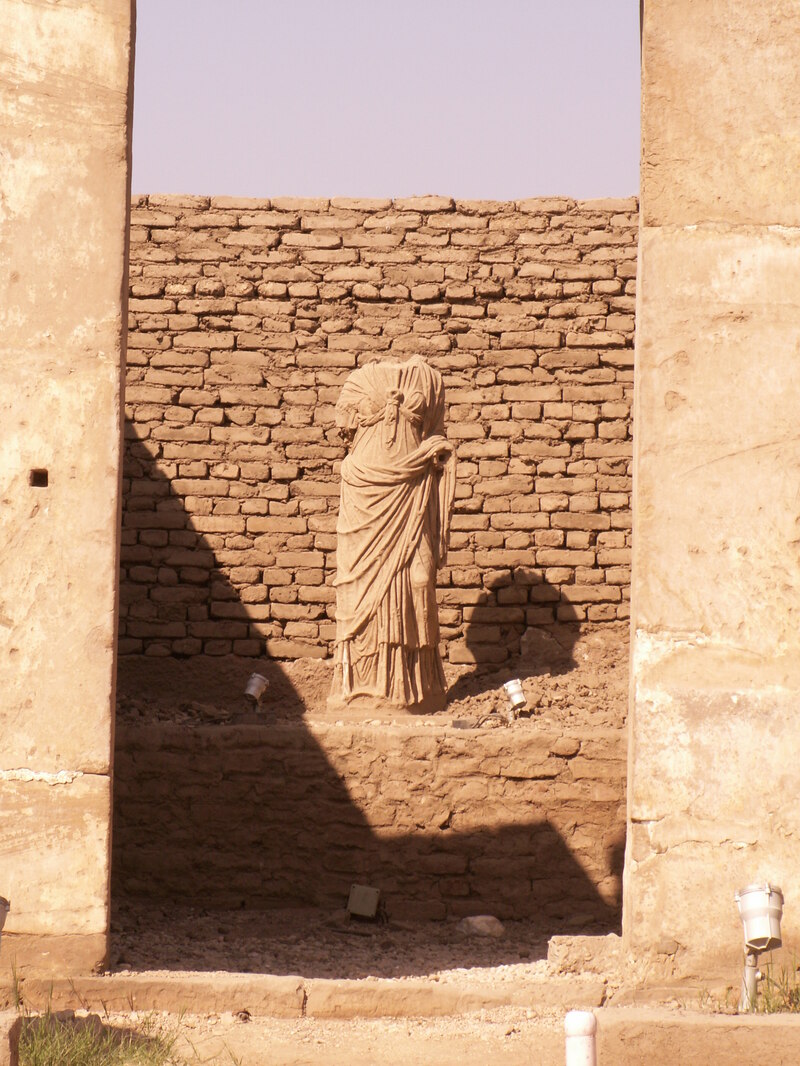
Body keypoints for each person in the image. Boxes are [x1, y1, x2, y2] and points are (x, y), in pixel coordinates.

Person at [328, 355, 455, 713]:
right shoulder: (357, 380)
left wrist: (438, 450)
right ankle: (359, 685)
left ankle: (416, 687)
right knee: (359, 586)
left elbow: (435, 431)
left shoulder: (429, 378)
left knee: (419, 577)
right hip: (366, 487)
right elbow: (345, 431)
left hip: (412, 485)